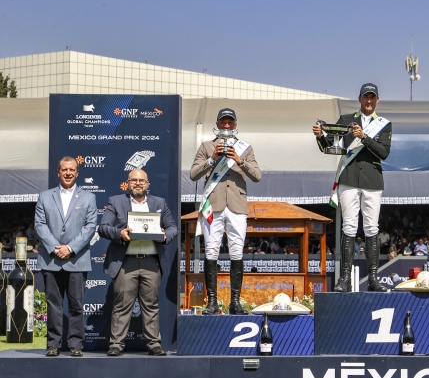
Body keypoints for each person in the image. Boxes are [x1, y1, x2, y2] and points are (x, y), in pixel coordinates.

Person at [312, 83, 391, 292]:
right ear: (360, 98)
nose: (369, 101)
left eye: (372, 97)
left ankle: (373, 278)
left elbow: (384, 153)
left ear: (377, 100)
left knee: (371, 228)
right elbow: (331, 145)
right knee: (348, 227)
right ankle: (344, 278)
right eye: (366, 97)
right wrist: (320, 135)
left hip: (372, 181)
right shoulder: (346, 120)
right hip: (348, 178)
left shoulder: (384, 124)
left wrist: (364, 137)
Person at [98, 169, 177, 357]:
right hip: (125, 262)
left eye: (142, 181)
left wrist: (165, 236)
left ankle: (154, 344)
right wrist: (120, 234)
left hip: (151, 262)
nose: (138, 183)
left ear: (148, 184)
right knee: (122, 305)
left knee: (151, 305)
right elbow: (103, 228)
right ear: (128, 183)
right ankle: (116, 344)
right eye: (134, 180)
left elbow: (173, 227)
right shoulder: (116, 201)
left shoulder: (159, 203)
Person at [191, 107, 262, 315]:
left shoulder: (245, 148)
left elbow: (257, 175)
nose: (227, 126)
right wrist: (212, 159)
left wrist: (239, 161)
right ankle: (212, 302)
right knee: (211, 250)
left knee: (236, 251)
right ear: (218, 124)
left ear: (236, 125)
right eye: (224, 122)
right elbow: (194, 174)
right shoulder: (206, 146)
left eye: (231, 122)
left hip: (237, 206)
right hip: (212, 205)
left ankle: (235, 302)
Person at [34, 156, 97, 357]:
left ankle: (76, 344)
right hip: (51, 259)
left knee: (77, 304)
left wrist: (70, 248)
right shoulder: (45, 196)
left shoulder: (88, 197)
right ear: (58, 172)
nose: (68, 173)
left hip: (76, 259)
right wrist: (55, 247)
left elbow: (90, 227)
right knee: (53, 304)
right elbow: (40, 225)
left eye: (72, 170)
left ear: (77, 173)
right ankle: (53, 343)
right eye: (64, 169)